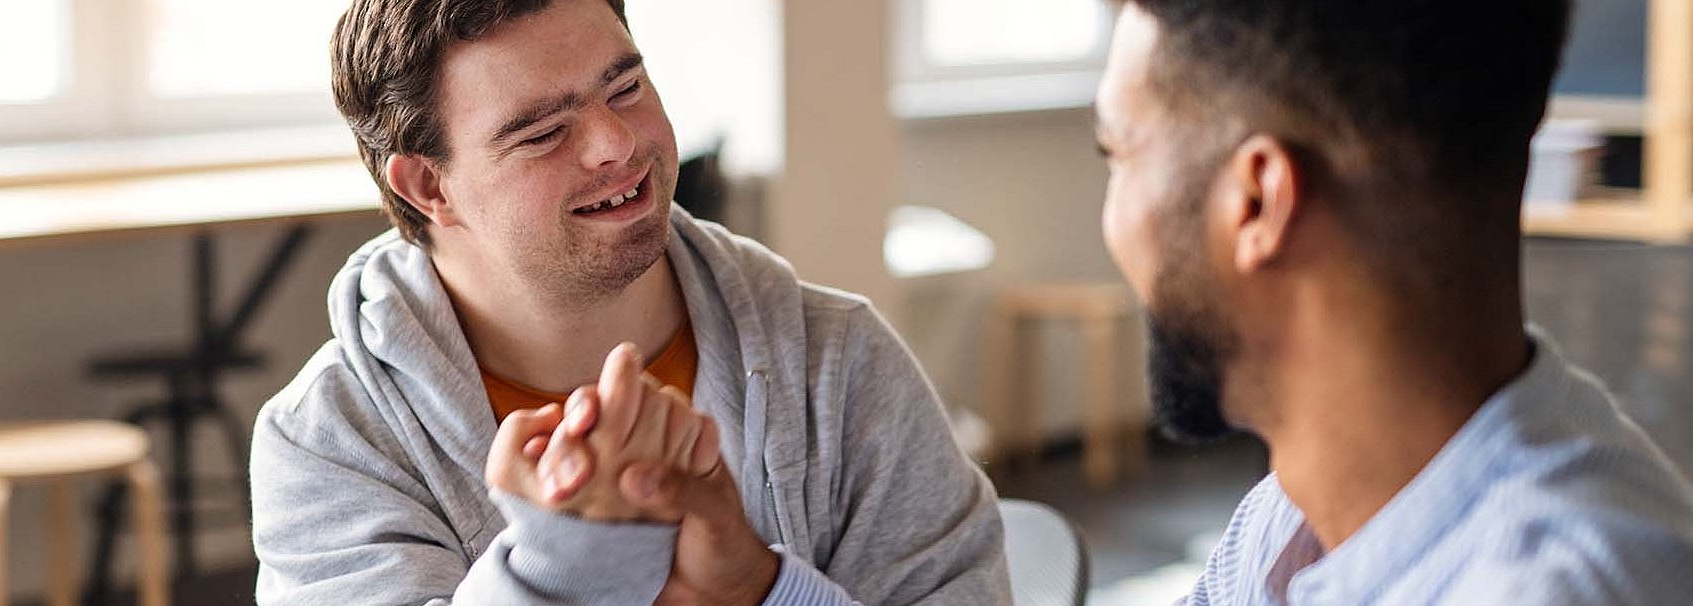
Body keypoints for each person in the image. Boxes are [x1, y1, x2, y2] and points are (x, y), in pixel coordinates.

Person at [247, 0, 1007, 603]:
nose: (616, 143)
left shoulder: (840, 363)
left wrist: (758, 589)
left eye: (626, 88)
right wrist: (569, 558)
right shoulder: (328, 444)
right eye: (543, 133)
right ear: (428, 186)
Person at [1087, 0, 1693, 603]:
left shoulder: (1553, 587)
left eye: (1116, 154)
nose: (1109, 220)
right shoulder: (1289, 520)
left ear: (1256, 203)